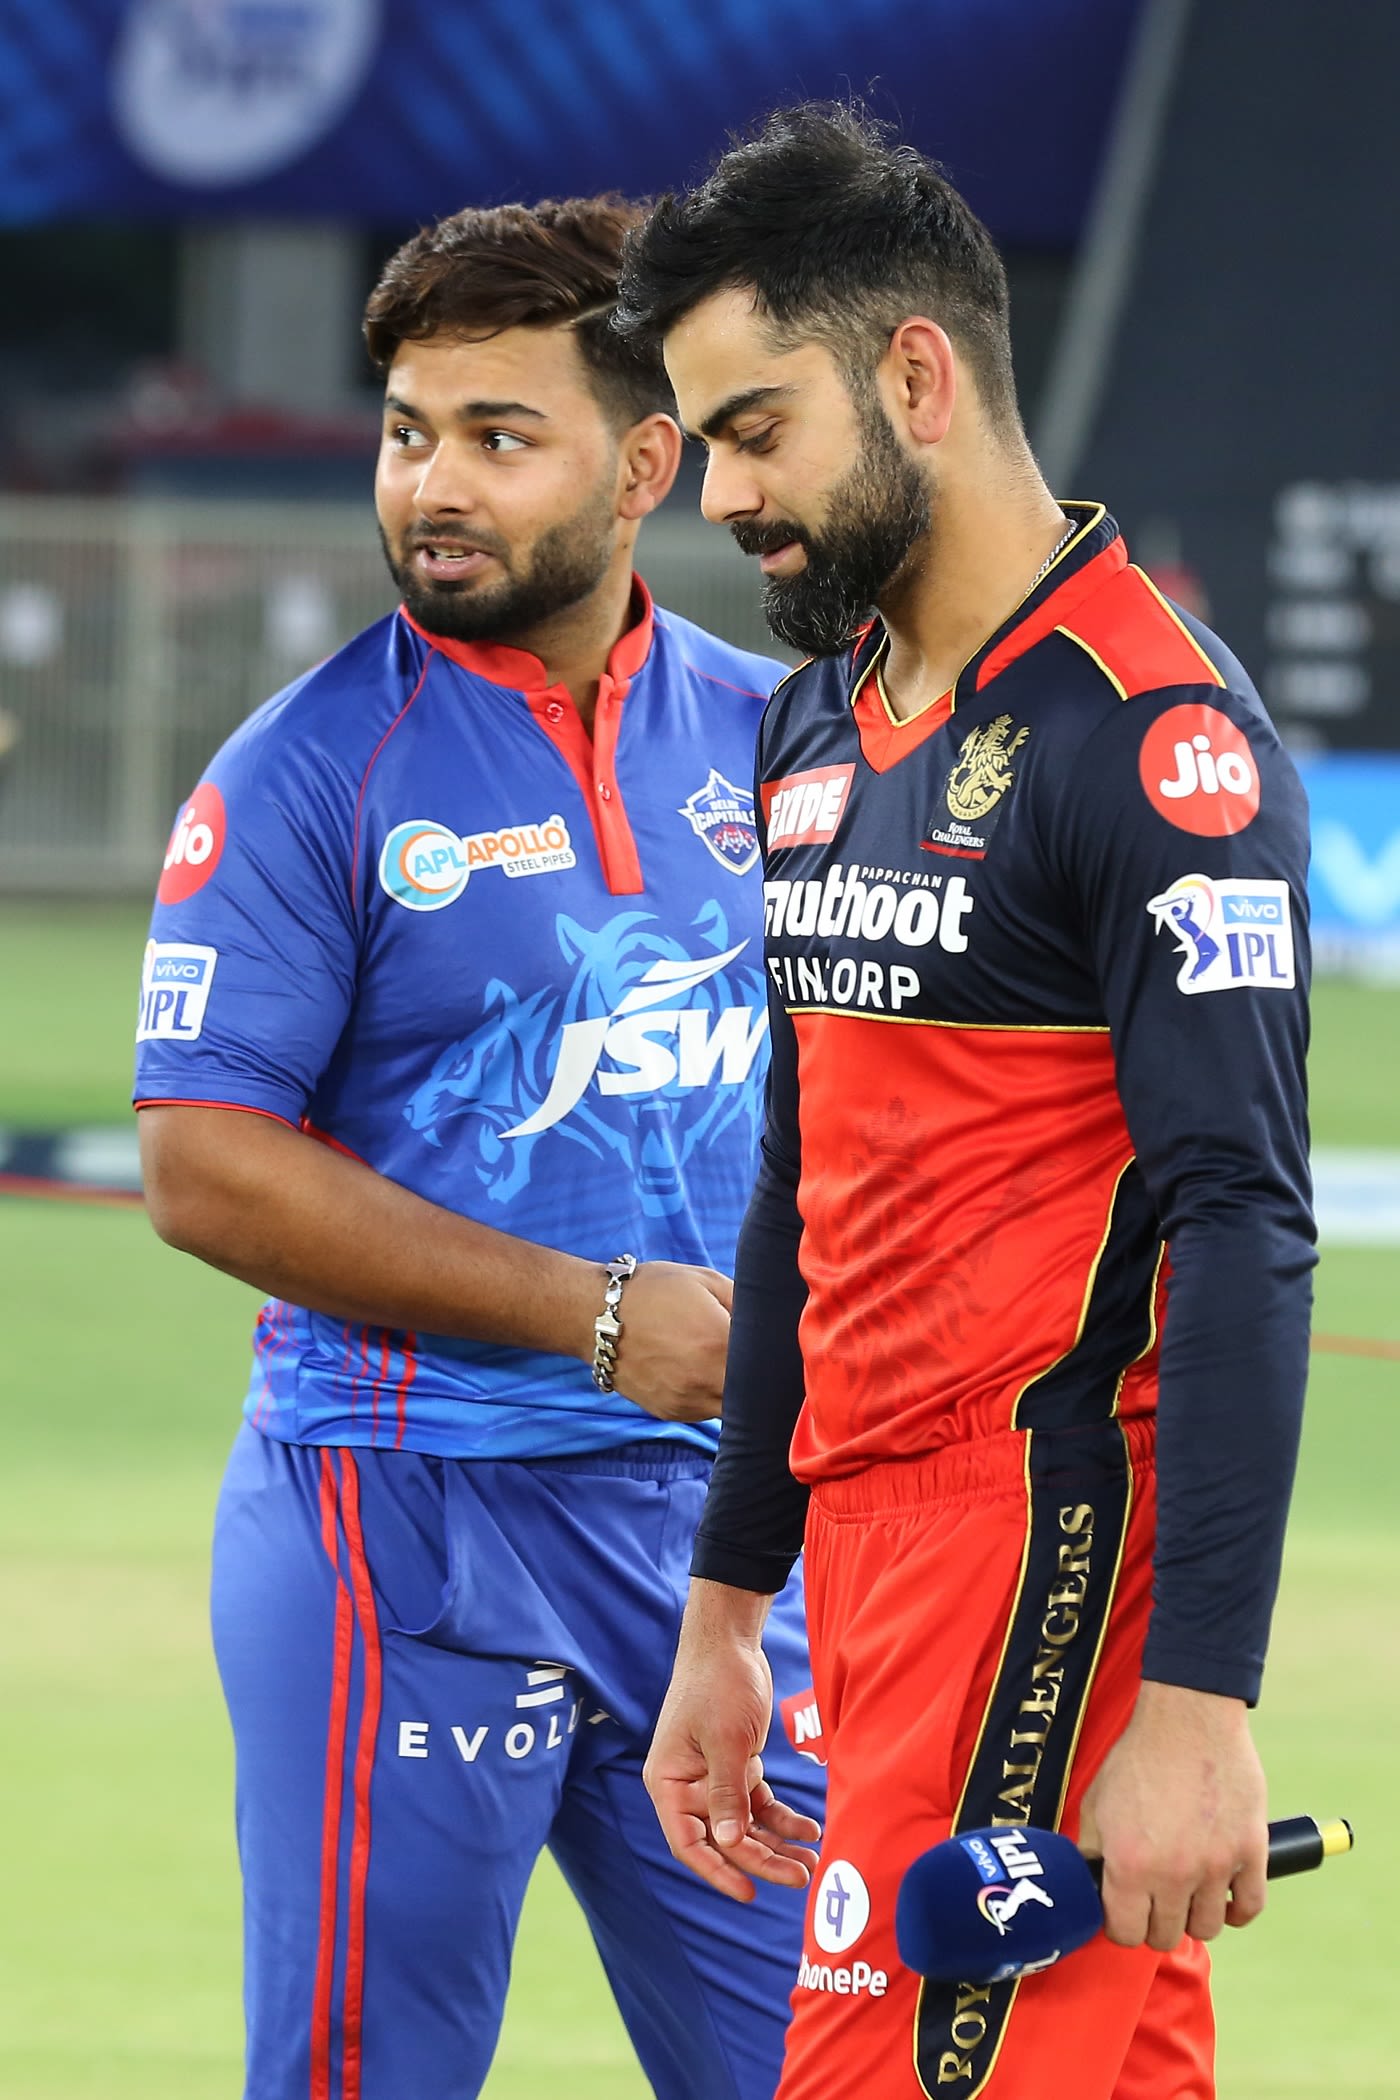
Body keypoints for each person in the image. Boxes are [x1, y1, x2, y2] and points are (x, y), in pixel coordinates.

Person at [615, 106, 1314, 2100]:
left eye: (757, 429)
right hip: (862, 1567)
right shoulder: (813, 718)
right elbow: (798, 1181)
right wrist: (730, 1600)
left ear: (913, 371)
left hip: (1049, 1563)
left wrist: (1194, 1705)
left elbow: (1242, 1226)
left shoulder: (1149, 737)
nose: (722, 492)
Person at [134, 196, 823, 2100]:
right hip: (402, 1526)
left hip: (721, 1550)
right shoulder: (302, 774)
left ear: (647, 466)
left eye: (499, 438)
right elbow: (202, 1162)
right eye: (408, 431)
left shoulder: (783, 743)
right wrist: (600, 1314)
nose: (432, 485)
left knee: (833, 2068)